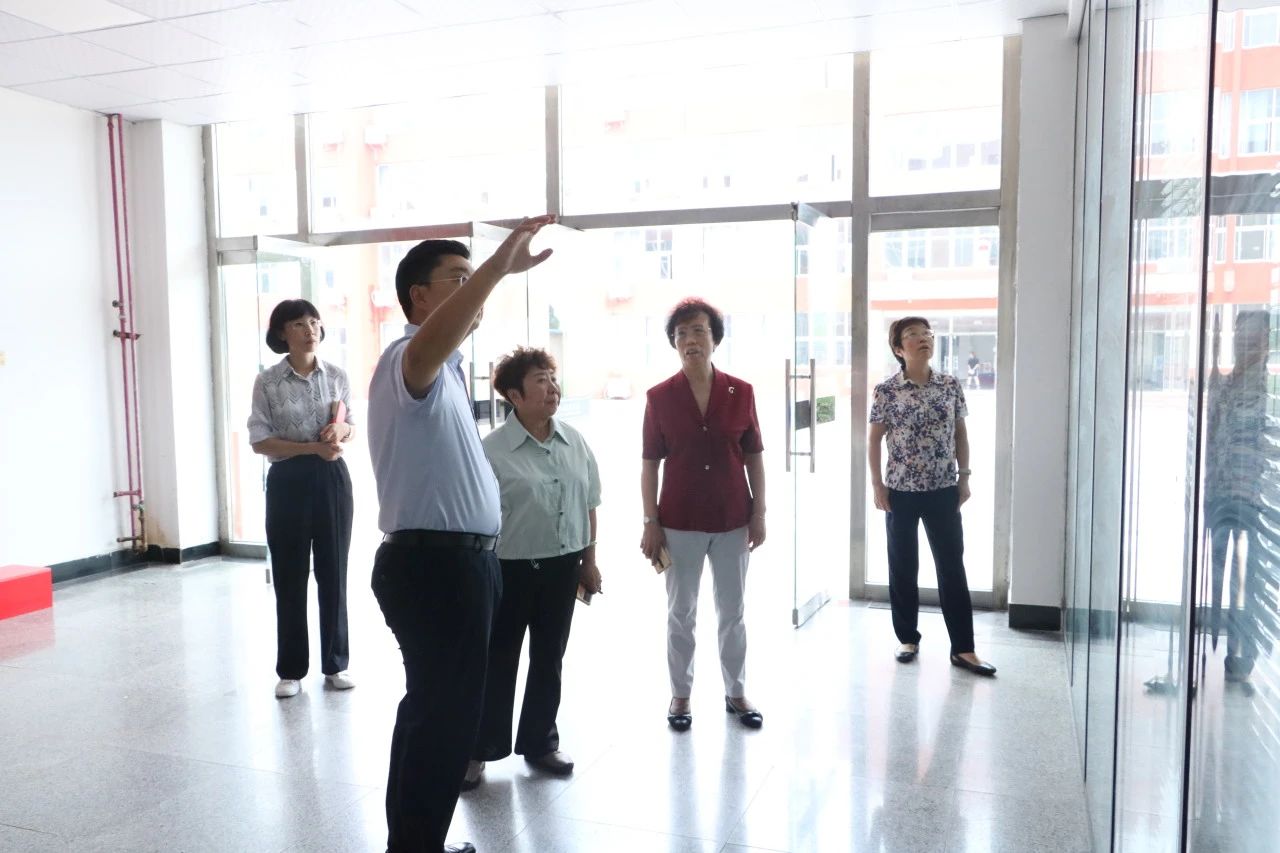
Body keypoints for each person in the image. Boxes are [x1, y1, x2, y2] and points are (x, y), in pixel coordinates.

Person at [366, 216, 554, 853]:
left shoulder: (446, 372)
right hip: (434, 568)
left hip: (458, 565)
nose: (473, 288)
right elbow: (428, 348)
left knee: (434, 715)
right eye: (458, 278)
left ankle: (414, 841)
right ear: (419, 296)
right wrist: (498, 267)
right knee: (443, 719)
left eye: (473, 276)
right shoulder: (406, 359)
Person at [463, 346, 603, 791]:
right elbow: (475, 517)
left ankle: (541, 742)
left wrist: (589, 560)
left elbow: (589, 503)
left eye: (552, 379)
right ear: (514, 395)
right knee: (498, 659)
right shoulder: (491, 451)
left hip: (563, 566)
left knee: (549, 657)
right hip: (508, 569)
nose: (552, 388)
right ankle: (480, 749)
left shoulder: (574, 441)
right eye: (540, 381)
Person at [640, 297, 767, 731]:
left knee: (733, 610)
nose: (690, 340)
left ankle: (736, 691)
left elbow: (754, 457)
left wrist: (760, 512)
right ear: (674, 343)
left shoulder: (741, 392)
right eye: (681, 334)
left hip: (733, 518)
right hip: (679, 520)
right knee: (681, 612)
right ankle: (681, 695)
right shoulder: (659, 397)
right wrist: (650, 522)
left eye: (699, 331)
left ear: (715, 339)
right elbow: (649, 464)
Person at [868, 316, 996, 677]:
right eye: (913, 335)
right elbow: (874, 439)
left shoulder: (949, 385)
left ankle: (964, 648)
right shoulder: (887, 390)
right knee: (903, 565)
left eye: (927, 334)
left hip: (943, 488)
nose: (924, 339)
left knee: (951, 566)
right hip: (900, 491)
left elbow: (961, 434)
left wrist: (964, 477)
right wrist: (877, 485)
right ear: (898, 348)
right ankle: (907, 638)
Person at [246, 298, 356, 699]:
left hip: (332, 479)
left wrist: (340, 432)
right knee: (290, 575)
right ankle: (290, 670)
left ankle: (336, 663)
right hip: (288, 481)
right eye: (298, 324)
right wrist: (313, 448)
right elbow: (260, 440)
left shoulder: (337, 375)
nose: (310, 329)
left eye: (314, 321)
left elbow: (351, 425)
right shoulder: (268, 381)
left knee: (334, 572)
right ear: (281, 333)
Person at [1204, 309, 1274, 695]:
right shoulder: (1227, 384)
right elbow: (1213, 435)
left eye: (1254, 339)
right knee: (1222, 573)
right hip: (1222, 495)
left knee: (1249, 580)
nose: (1246, 346)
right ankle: (1222, 646)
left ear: (1265, 343)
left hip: (1254, 501)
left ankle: (1241, 652)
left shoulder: (1267, 391)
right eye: (1241, 338)